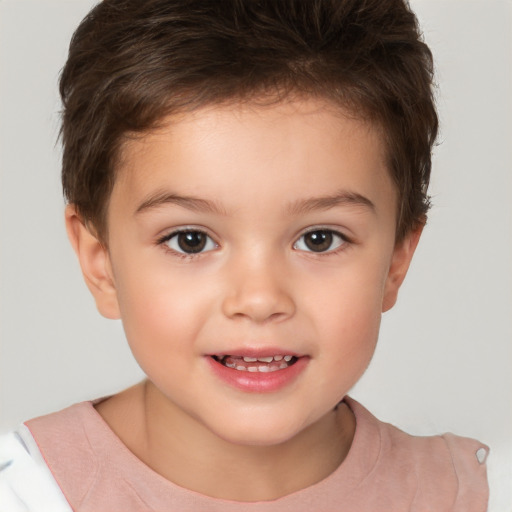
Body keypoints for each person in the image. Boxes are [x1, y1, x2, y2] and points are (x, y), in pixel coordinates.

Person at [0, 0, 489, 510]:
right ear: (100, 262)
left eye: (319, 239)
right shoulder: (23, 492)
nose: (259, 300)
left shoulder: (470, 494)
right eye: (190, 240)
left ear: (395, 260)